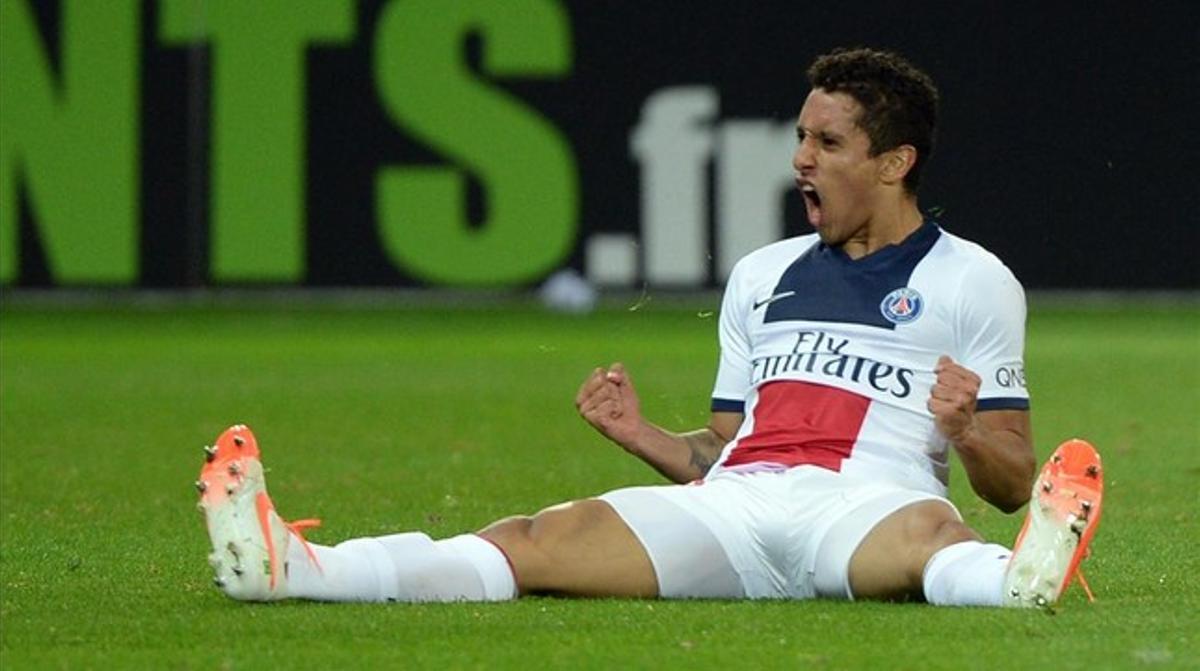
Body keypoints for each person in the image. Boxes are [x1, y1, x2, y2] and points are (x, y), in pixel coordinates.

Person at [196, 47, 1103, 609]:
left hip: (867, 504)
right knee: (531, 541)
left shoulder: (974, 279)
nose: (800, 157)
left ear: (896, 161)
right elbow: (718, 451)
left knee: (940, 550)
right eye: (801, 136)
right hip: (735, 510)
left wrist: (963, 430)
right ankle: (298, 567)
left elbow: (1013, 480)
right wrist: (640, 436)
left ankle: (1015, 584)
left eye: (828, 143)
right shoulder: (763, 274)